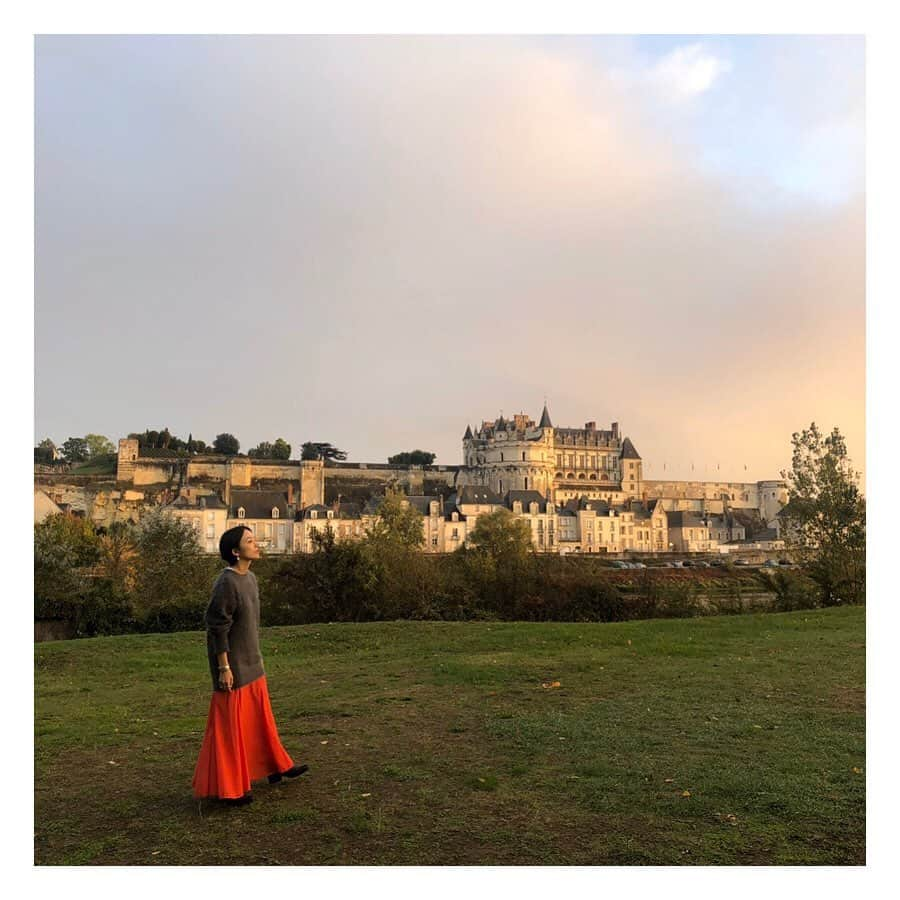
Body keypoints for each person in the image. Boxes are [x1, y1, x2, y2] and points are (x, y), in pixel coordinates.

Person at [192, 525, 308, 805]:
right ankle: (231, 788)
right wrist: (223, 667)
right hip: (232, 666)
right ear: (235, 552)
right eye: (250, 541)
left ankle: (275, 766)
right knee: (230, 727)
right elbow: (216, 627)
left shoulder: (251, 578)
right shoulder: (226, 583)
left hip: (253, 660)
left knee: (259, 720)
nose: (257, 544)